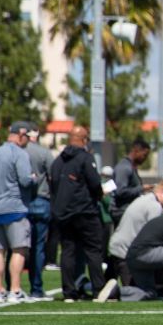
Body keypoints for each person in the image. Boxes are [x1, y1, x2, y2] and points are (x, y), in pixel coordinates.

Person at [48, 125, 106, 302]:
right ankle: (98, 290)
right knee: (93, 251)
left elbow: (53, 186)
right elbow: (95, 183)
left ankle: (69, 292)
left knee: (68, 251)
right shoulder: (85, 158)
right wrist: (99, 196)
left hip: (63, 213)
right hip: (85, 212)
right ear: (84, 140)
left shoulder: (58, 161)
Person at [0, 121, 38, 303]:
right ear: (21, 135)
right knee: (19, 249)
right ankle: (15, 290)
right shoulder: (20, 154)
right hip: (14, 208)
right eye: (27, 137)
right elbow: (25, 180)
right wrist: (34, 179)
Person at [104, 180, 163, 289]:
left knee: (106, 286)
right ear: (162, 193)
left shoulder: (143, 199)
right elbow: (155, 234)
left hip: (117, 245)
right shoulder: (155, 206)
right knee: (133, 291)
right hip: (126, 251)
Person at [23, 125, 55, 300]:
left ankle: (12, 287)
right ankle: (36, 288)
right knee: (38, 247)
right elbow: (53, 175)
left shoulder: (15, 153)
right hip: (41, 201)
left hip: (21, 203)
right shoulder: (43, 153)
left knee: (15, 249)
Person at [111, 138, 152, 228]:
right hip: (122, 213)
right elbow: (120, 191)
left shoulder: (132, 167)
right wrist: (141, 188)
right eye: (144, 155)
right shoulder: (124, 167)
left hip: (129, 212)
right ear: (136, 151)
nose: (145, 158)